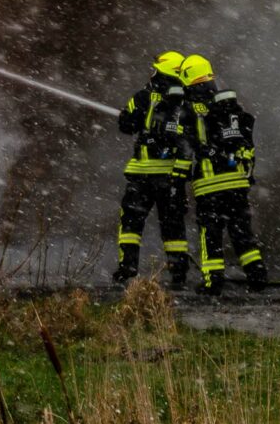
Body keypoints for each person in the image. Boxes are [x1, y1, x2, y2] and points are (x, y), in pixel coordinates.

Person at [179, 55, 266, 294]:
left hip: (210, 185)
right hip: (237, 183)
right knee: (241, 231)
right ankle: (257, 274)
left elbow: (185, 144)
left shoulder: (191, 108)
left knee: (211, 233)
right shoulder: (230, 107)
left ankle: (212, 281)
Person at [114, 51, 190, 287]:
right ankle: (178, 273)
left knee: (131, 223)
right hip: (171, 177)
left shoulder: (144, 96)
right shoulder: (187, 103)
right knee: (173, 224)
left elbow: (126, 125)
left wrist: (132, 118)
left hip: (142, 175)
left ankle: (127, 268)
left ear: (162, 70)